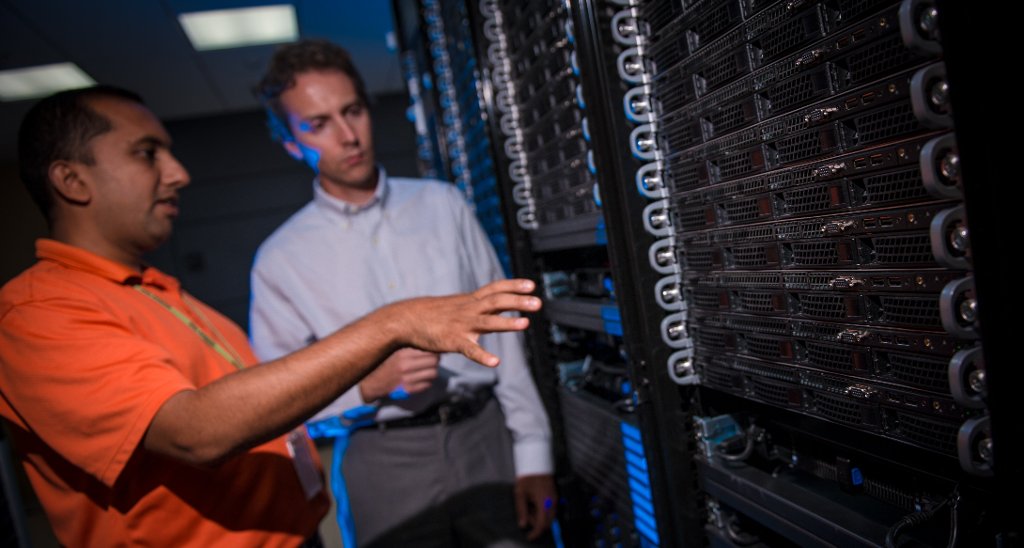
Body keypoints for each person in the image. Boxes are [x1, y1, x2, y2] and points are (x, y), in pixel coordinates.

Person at [0, 85, 543, 547]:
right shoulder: (38, 313)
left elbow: (277, 403)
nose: (180, 173)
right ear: (72, 182)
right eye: (147, 153)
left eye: (352, 111)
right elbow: (194, 432)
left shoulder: (163, 296)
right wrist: (391, 326)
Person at [250, 39, 557, 547]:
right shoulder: (280, 259)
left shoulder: (443, 205)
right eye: (318, 124)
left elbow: (503, 335)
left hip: (484, 439)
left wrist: (534, 454)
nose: (348, 136)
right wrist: (365, 387)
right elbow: (278, 401)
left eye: (352, 111)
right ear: (289, 141)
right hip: (380, 461)